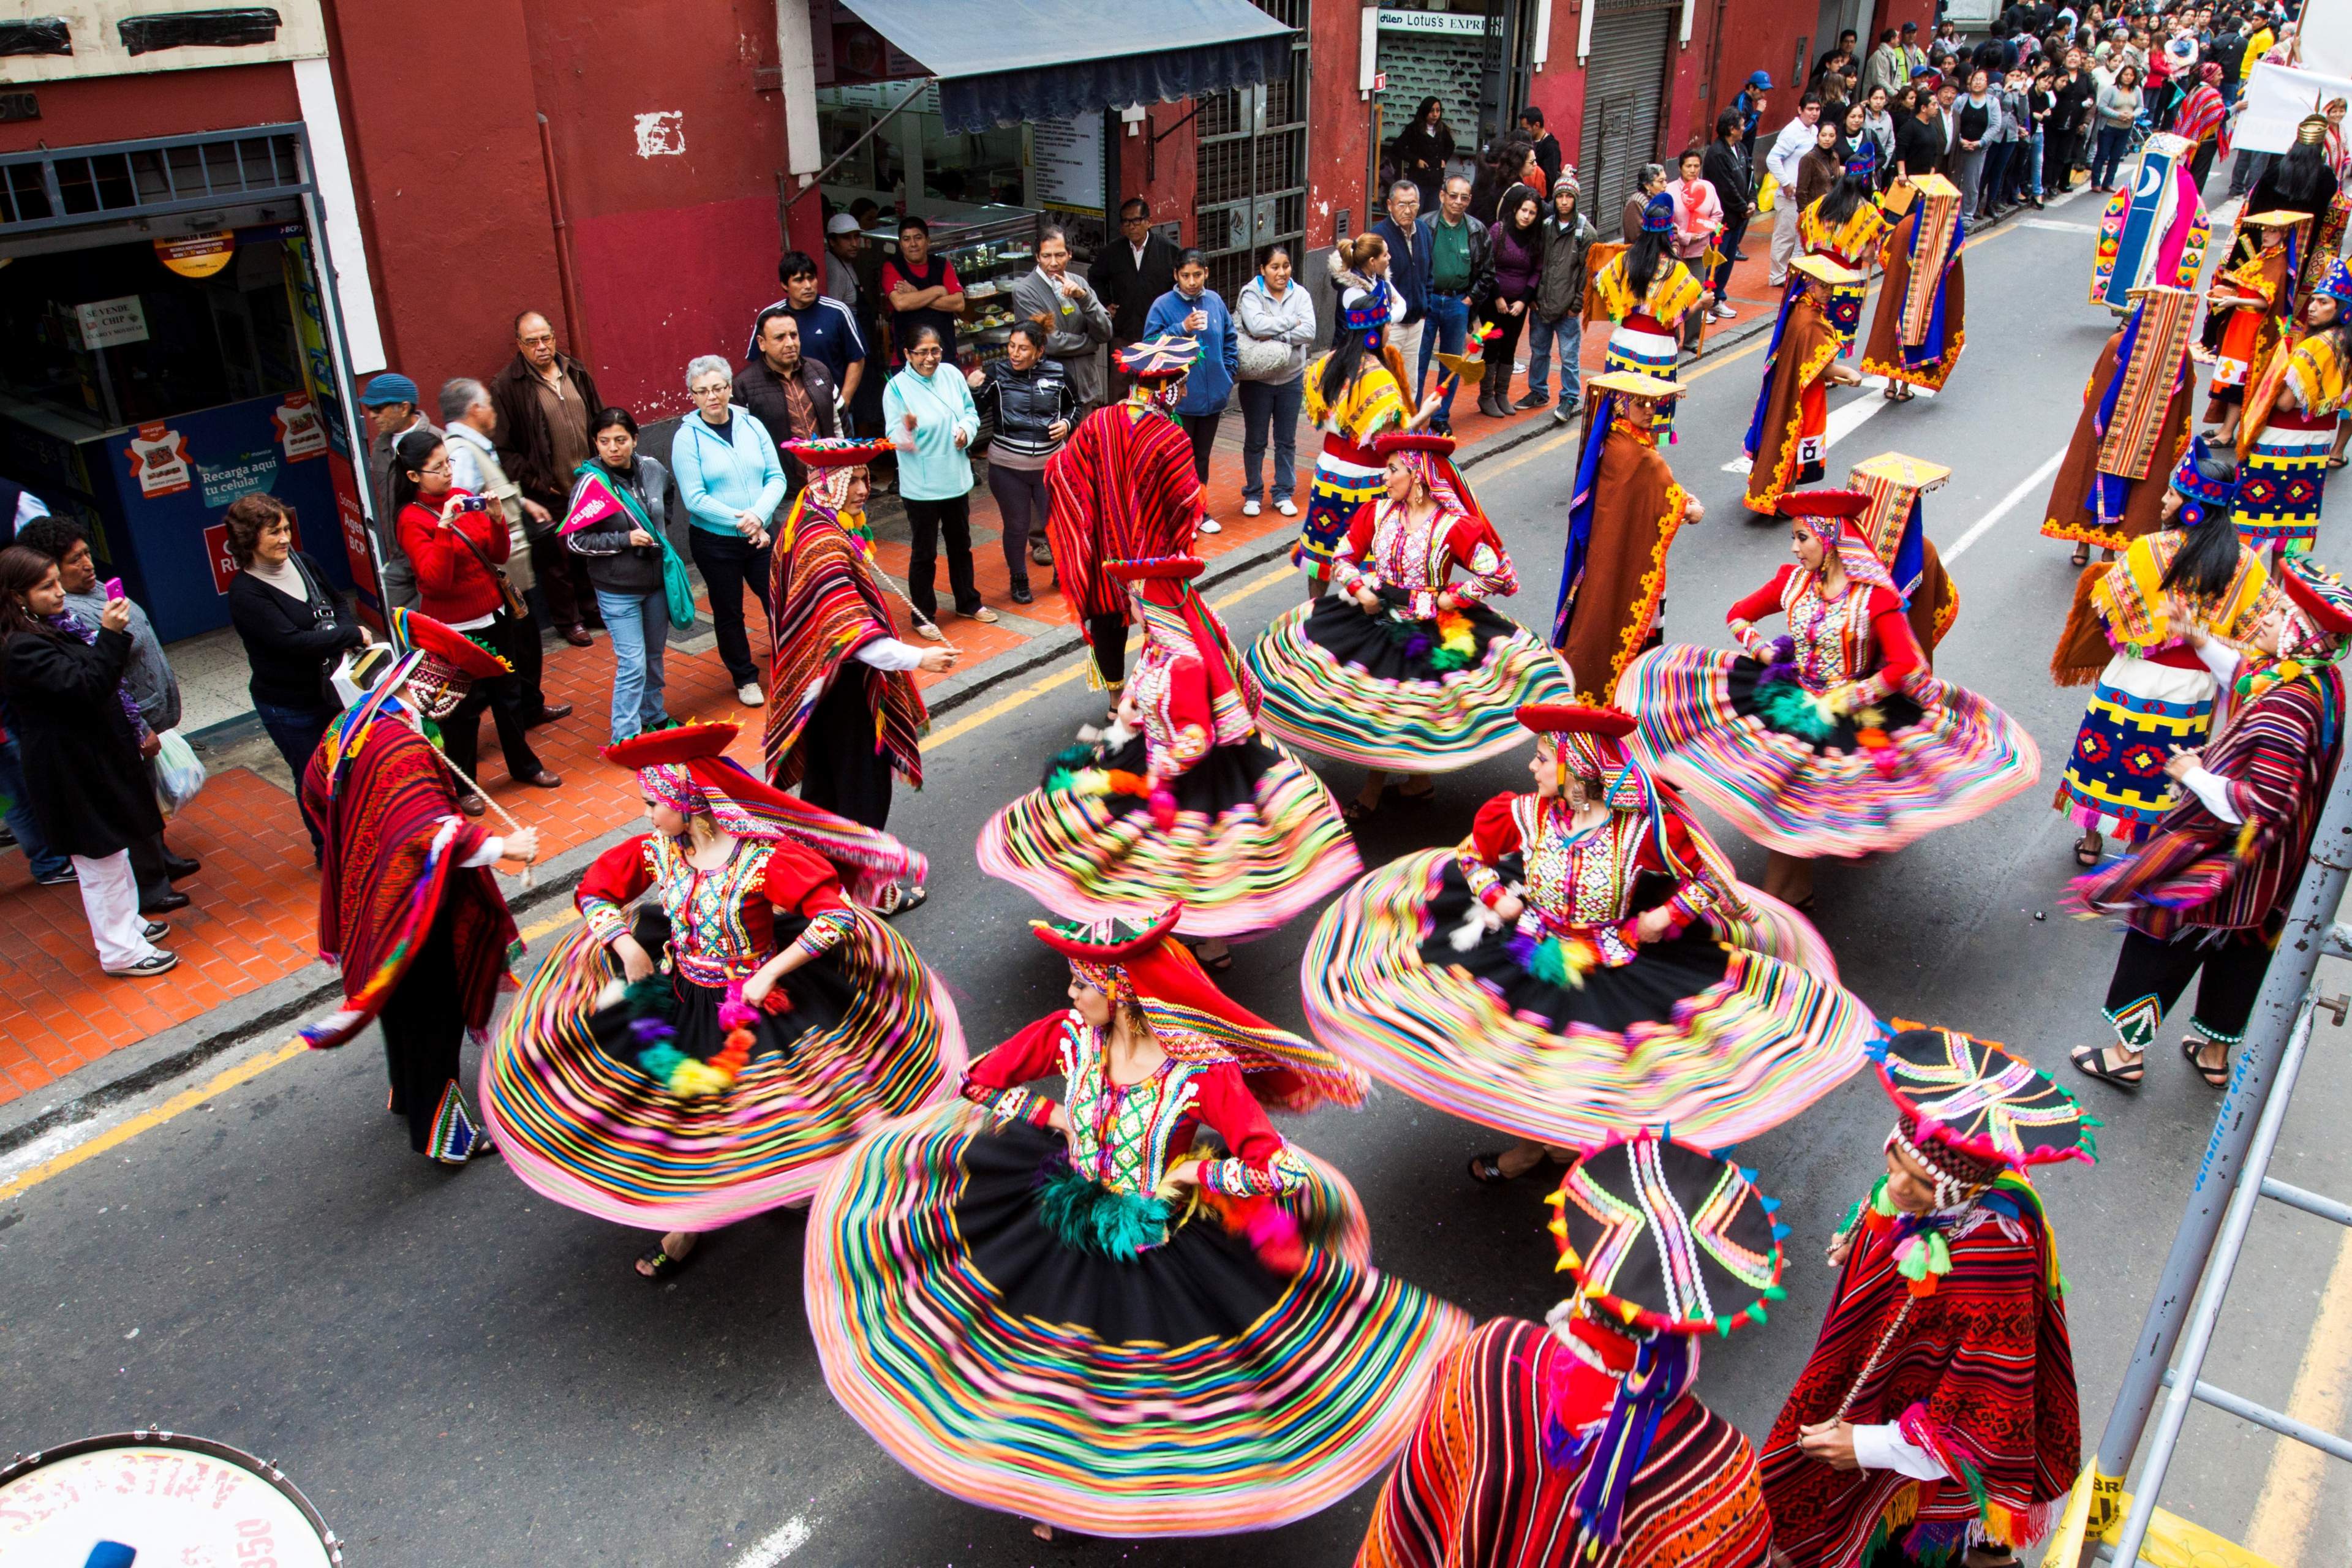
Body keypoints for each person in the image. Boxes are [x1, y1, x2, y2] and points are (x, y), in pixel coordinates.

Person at [803, 903, 1466, 1539]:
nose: (1069, 992)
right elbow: (976, 1080)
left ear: (1120, 989)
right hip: (1061, 1216)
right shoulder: (1067, 1036)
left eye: (1080, 981)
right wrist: (1046, 1116)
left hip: (1155, 1242)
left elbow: (1277, 1168)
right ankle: (1053, 1487)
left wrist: (1193, 1177)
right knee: (1047, 1368)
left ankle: (1104, 1495)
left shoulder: (1204, 1073)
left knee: (1129, 1389)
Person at [1300, 701, 1869, 1178]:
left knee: (1590, 1077)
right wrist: (1496, 896)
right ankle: (1531, 1146)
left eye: (1544, 758)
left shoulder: (1645, 829)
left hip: (1612, 963)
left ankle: (1578, 1167)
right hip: (1530, 949)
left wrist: (1660, 918)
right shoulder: (1521, 813)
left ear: (1577, 766)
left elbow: (1708, 883)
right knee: (1520, 1061)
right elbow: (1471, 856)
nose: (1532, 767)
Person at [484, 720, 960, 1278]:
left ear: (691, 804)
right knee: (690, 1119)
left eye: (653, 804)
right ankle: (690, 1221)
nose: (647, 816)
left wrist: (771, 973)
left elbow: (835, 918)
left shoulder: (761, 858)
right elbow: (594, 890)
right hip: (682, 996)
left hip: (757, 1007)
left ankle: (789, 1184)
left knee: (773, 1113)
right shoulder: (659, 850)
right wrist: (623, 944)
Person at [1358, 1133, 1783, 1568]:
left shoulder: (1492, 1355)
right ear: (1707, 1315)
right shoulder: (1719, 1472)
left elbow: (1416, 1508)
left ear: (1585, 1265)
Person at [1762, 1023, 2093, 1568]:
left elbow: (1983, 1409)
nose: (1895, 1189)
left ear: (1960, 1189)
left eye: (1915, 1182)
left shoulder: (1996, 1256)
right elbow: (1883, 1199)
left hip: (1917, 1455)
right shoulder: (1918, 1190)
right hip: (1873, 1394)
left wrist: (1865, 1446)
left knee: (1904, 1547)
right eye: (1892, 1164)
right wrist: (1858, 1229)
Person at [1617, 488, 2041, 908]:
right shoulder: (1791, 582)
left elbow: (1902, 667)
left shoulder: (1875, 599)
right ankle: (1778, 889)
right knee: (1774, 793)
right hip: (1789, 699)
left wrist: (1847, 699)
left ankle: (1784, 899)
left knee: (1810, 801)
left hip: (1849, 713)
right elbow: (1738, 614)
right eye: (1794, 537)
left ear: (1831, 540)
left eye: (1803, 538)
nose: (1795, 547)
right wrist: (1768, 656)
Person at [980, 552, 1361, 963]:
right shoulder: (1160, 648)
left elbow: (1197, 737)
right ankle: (1180, 932)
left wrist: (1159, 772)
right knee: (1148, 857)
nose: (1129, 609)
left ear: (1151, 607)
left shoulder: (1185, 664)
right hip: (1152, 760)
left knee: (1190, 865)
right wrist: (1128, 717)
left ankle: (1211, 945)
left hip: (1186, 778)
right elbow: (1147, 694)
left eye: (1133, 602)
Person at [2068, 554, 2348, 1090]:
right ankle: (2214, 1056)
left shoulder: (2289, 707)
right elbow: (2248, 680)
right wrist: (2199, 640)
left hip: (2225, 859)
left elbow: (2264, 803)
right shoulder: (2317, 682)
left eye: (2281, 614)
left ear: (2300, 638)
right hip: (2273, 871)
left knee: (2160, 937)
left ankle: (2126, 1054)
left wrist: (2194, 774)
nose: (2265, 617)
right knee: (2242, 949)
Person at [295, 620, 537, 1164]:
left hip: (368, 896)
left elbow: (313, 787)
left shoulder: (350, 725)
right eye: (443, 689)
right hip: (412, 906)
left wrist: (355, 841)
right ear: (418, 687)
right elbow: (426, 831)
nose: (449, 699)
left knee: (399, 1004)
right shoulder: (401, 747)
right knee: (433, 1014)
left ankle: (406, 1092)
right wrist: (505, 848)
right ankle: (443, 1136)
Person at [1246, 431, 1571, 816]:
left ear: (1417, 475)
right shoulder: (1377, 512)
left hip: (1430, 626)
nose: (1385, 477)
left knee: (1401, 709)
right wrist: (1359, 590)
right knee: (1374, 704)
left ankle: (1381, 787)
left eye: (1393, 470)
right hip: (1374, 615)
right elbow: (1345, 555)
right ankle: (1417, 782)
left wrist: (1450, 598)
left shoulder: (1454, 526)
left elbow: (1498, 573)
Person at [2051, 437, 2273, 867]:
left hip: (2134, 676)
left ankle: (2092, 838)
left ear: (2192, 507)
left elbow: (2111, 608)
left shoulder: (2148, 550)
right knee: (2163, 771)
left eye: (2172, 494)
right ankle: (2139, 848)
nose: (2164, 500)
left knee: (2109, 755)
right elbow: (2260, 626)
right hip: (2195, 689)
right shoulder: (2245, 563)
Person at [764, 439, 949, 855]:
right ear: (829, 483)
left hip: (820, 685)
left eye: (867, 478)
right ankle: (866, 881)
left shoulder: (807, 523)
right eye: (854, 480)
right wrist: (920, 657)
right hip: (843, 686)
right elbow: (849, 630)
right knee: (862, 789)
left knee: (824, 789)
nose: (864, 489)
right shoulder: (823, 543)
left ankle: (814, 873)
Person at [0, 545, 176, 976]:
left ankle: (126, 925)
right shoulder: (22, 647)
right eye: (47, 587)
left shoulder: (44, 627)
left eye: (57, 582)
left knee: (112, 852)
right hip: (71, 771)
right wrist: (112, 635)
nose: (60, 593)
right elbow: (86, 685)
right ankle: (120, 950)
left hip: (87, 761)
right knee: (100, 861)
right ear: (18, 596)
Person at [15, 516, 198, 911]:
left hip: (141, 718)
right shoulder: (61, 621)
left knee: (146, 799)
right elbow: (99, 680)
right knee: (130, 812)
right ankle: (150, 886)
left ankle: (160, 860)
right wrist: (137, 727)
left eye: (86, 553)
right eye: (73, 560)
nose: (87, 564)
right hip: (124, 727)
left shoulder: (97, 589)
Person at [390, 429, 559, 800]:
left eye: (448, 462)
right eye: (437, 468)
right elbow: (436, 581)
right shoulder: (412, 519)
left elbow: (497, 555)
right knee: (462, 709)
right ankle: (464, 785)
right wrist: (445, 528)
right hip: (453, 629)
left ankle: (525, 766)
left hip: (494, 615)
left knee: (509, 694)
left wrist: (497, 519)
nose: (448, 472)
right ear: (414, 476)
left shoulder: (463, 497)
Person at [1046, 336, 1209, 698]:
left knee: (1107, 618)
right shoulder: (1171, 436)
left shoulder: (1097, 422)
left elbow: (1062, 472)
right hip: (1154, 554)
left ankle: (1116, 702)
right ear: (1165, 390)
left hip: (1106, 549)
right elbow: (1186, 500)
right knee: (1163, 621)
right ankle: (1160, 696)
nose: (1183, 395)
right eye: (1181, 388)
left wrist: (1089, 518)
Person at [222, 492, 364, 856]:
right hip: (290, 706)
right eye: (274, 532)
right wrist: (350, 635)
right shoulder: (245, 593)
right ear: (249, 540)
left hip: (333, 692)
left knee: (349, 766)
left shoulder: (305, 563)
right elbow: (293, 642)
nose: (285, 538)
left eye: (286, 528)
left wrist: (345, 629)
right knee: (313, 777)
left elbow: (337, 602)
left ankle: (358, 836)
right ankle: (328, 850)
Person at [1552, 372, 1705, 706]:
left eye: (1653, 404)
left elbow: (1658, 490)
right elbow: (1666, 496)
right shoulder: (1634, 453)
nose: (1650, 411)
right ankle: (1610, 695)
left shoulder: (1618, 439)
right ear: (1622, 405)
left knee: (1598, 611)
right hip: (1625, 555)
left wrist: (1678, 497)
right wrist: (1689, 508)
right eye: (1641, 404)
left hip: (1607, 548)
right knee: (1616, 614)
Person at [1298, 244, 1438, 596]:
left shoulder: (1326, 364)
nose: (1390, 332)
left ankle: (1316, 611)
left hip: (1328, 473)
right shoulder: (1378, 378)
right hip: (1367, 480)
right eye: (1387, 326)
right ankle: (1360, 622)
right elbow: (1392, 439)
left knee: (1324, 547)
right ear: (1376, 332)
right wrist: (1426, 413)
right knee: (1367, 553)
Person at [2040, 285, 2203, 565]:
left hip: (2131, 436)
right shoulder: (2124, 345)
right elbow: (2183, 408)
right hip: (2130, 435)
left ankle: (2095, 548)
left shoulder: (2175, 357)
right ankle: (2102, 550)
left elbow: (2091, 391)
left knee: (2096, 483)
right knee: (2106, 486)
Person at [439, 377, 562, 726]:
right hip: (500, 570)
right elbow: (461, 508)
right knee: (518, 643)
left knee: (523, 639)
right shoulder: (462, 452)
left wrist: (522, 502)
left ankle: (527, 705)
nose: (493, 411)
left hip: (508, 566)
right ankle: (520, 709)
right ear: (475, 410)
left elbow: (487, 491)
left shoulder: (473, 446)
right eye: (488, 405)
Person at [673, 353, 787, 706]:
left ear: (728, 388)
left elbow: (776, 476)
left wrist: (760, 514)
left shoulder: (751, 424)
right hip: (715, 542)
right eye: (702, 391)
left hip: (762, 537)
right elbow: (695, 499)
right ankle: (745, 678)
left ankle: (791, 660)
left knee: (779, 601)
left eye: (719, 388)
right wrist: (746, 519)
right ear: (692, 395)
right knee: (729, 610)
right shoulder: (686, 438)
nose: (712, 397)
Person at [563, 407, 680, 745]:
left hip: (656, 584)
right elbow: (575, 540)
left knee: (654, 655)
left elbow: (666, 498)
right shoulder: (590, 483)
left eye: (620, 440)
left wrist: (660, 527)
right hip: (617, 590)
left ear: (635, 439)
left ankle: (654, 715)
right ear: (595, 444)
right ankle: (626, 736)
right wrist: (624, 540)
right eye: (604, 442)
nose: (613, 448)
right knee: (632, 663)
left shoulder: (653, 469)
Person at [488, 311, 601, 646]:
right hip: (548, 490)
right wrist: (537, 481)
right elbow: (504, 448)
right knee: (557, 562)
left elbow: (598, 418)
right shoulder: (507, 385)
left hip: (587, 483)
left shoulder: (576, 371)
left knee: (590, 549)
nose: (542, 347)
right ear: (519, 345)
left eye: (546, 339)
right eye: (532, 342)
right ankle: (570, 621)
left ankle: (593, 609)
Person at [2233, 261, 2352, 562]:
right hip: (2318, 443)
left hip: (2281, 439)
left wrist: (2265, 381)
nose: (2312, 307)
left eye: (2323, 302)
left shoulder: (2313, 347)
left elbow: (2286, 402)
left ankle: (2240, 579)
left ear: (2342, 309)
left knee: (2255, 511)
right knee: (2292, 516)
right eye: (2312, 300)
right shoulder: (2344, 346)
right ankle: (2277, 582)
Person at [885, 325, 998, 633]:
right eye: (922, 353)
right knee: (925, 552)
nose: (930, 359)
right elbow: (893, 440)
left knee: (961, 544)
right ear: (907, 354)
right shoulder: (895, 388)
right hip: (921, 486)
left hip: (955, 477)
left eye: (935, 351)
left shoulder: (950, 374)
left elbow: (970, 413)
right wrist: (906, 428)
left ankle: (968, 602)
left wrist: (966, 431)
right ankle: (923, 616)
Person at [1741, 255, 1868, 515]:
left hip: (1793, 384)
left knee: (1784, 436)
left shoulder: (1799, 308)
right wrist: (1848, 373)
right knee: (1795, 438)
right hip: (1802, 392)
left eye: (1831, 288)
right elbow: (1818, 366)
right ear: (1809, 283)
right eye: (1823, 287)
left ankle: (1778, 493)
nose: (1828, 293)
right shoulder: (1809, 320)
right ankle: (1783, 498)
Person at [967, 321, 1079, 605]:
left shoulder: (1058, 373)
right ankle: (1019, 579)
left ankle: (1062, 571)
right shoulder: (996, 374)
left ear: (1039, 351)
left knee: (1056, 523)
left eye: (1023, 348)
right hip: (1007, 467)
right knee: (1016, 526)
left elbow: (1074, 405)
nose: (1015, 354)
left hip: (1051, 466)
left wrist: (1067, 423)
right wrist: (971, 389)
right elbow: (973, 410)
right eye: (1012, 346)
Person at [1589, 194, 1712, 438]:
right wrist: (1703, 303)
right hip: (1659, 349)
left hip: (1623, 343)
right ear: (1669, 233)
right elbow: (1679, 315)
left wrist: (1624, 301)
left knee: (1619, 406)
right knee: (1652, 412)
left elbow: (1597, 282)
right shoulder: (1676, 269)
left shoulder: (1625, 259)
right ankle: (1645, 459)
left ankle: (1614, 454)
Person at [1142, 249, 1238, 526]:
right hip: (1179, 401)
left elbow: (1230, 340)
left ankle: (1200, 511)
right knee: (1178, 460)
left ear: (1206, 273)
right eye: (1186, 276)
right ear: (1176, 276)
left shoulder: (1215, 301)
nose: (1192, 281)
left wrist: (1227, 373)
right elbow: (1149, 346)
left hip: (1213, 400)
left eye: (1197, 275)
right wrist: (1181, 327)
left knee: (1202, 459)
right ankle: (1178, 515)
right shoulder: (1162, 305)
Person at [1858, 169, 1967, 402]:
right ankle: (1905, 389)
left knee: (1891, 334)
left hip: (1898, 291)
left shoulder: (1907, 225)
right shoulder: (1950, 235)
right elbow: (1954, 272)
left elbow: (1886, 257)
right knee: (1916, 336)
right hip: (1927, 298)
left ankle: (1890, 385)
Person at [2203, 210, 2305, 444]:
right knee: (2229, 377)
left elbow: (2266, 301)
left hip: (2252, 329)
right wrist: (2229, 294)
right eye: (2265, 230)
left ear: (2283, 233)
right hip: (2239, 325)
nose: (2266, 235)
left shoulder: (2278, 263)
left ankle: (2228, 432)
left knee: (2238, 382)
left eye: (2272, 231)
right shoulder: (2264, 256)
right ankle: (2225, 427)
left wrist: (2236, 301)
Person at [1234, 242, 1316, 519]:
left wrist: (1276, 333)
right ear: (1262, 270)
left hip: (1292, 379)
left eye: (1286, 266)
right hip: (1258, 381)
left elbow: (1310, 331)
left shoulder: (1301, 294)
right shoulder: (1251, 294)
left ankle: (1283, 492)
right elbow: (1255, 327)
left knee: (1286, 440)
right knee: (1255, 440)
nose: (1282, 273)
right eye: (1275, 267)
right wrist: (1292, 323)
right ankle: (1253, 493)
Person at [734, 306, 839, 502]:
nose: (790, 343)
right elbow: (742, 451)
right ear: (762, 343)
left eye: (794, 335)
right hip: (783, 497)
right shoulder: (743, 386)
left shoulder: (820, 371)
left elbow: (840, 424)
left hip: (830, 486)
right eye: (780, 337)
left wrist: (845, 471)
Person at [1008, 225, 1112, 413]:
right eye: (1047, 256)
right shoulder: (1025, 291)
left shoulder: (1079, 282)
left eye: (1060, 255)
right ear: (1037, 257)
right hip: (1050, 393)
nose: (1054, 263)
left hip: (1085, 389)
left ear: (1070, 254)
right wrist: (1090, 343)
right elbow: (1051, 343)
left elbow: (1105, 332)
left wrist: (1084, 298)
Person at [748, 249, 867, 412]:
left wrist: (843, 403)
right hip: (787, 412)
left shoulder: (838, 312)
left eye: (811, 278)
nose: (808, 286)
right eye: (799, 280)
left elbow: (857, 359)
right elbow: (758, 364)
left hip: (831, 408)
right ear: (784, 285)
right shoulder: (770, 318)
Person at [1420, 175, 1491, 433]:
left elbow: (1487, 272)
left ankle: (1440, 417)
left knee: (1452, 364)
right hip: (1428, 304)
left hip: (1457, 303)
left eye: (1464, 197)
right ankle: (1415, 416)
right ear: (1442, 196)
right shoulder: (1425, 225)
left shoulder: (1476, 230)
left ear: (1469, 200)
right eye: (1453, 196)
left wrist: (1469, 299)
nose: (1458, 202)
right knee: (1418, 361)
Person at [360, 372, 436, 611]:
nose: (372, 415)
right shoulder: (381, 446)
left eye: (379, 408)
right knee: (405, 630)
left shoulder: (435, 442)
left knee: (438, 630)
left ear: (403, 408)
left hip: (431, 554)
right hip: (400, 558)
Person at [1091, 198, 1182, 397]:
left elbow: (1180, 286)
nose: (1131, 227)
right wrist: (1105, 303)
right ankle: (1120, 427)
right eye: (1126, 222)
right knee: (1120, 387)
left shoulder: (1169, 250)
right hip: (1124, 331)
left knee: (1155, 388)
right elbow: (1095, 278)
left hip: (1158, 334)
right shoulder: (1112, 252)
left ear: (1148, 222)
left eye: (1136, 221)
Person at [1529, 170, 1597, 420]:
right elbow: (1538, 262)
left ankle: (1569, 398)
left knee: (1569, 357)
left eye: (1569, 196)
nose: (1564, 201)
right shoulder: (1546, 227)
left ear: (1576, 200)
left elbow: (1588, 273)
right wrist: (1534, 297)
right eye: (1560, 197)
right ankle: (1538, 391)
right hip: (1542, 304)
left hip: (1568, 308)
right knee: (1539, 351)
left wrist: (1577, 304)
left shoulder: (1586, 233)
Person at [1474, 183, 1544, 415]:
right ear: (1516, 209)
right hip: (1494, 301)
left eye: (1532, 212)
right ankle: (1485, 397)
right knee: (1493, 344)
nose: (1527, 216)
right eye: (1524, 210)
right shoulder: (1499, 231)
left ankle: (1501, 394)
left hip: (1518, 304)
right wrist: (1497, 297)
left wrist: (1524, 300)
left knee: (1510, 348)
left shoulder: (1536, 236)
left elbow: (1537, 270)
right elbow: (1488, 264)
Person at [1371, 180, 1434, 393]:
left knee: (1410, 385)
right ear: (1389, 205)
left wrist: (1425, 306)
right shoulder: (1379, 235)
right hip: (1392, 325)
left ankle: (1406, 427)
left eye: (1413, 204)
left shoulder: (1424, 231)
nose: (1408, 210)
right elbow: (1373, 280)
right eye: (1401, 204)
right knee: (1387, 383)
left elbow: (1429, 273)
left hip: (1417, 322)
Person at [881, 217, 965, 370]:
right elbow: (901, 303)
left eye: (918, 238)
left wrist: (916, 294)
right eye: (906, 239)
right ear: (900, 244)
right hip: (908, 359)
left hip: (944, 356)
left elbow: (959, 304)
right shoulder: (892, 267)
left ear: (928, 241)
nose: (913, 244)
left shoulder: (942, 265)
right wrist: (938, 290)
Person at [1665, 150, 1724, 350]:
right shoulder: (1670, 190)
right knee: (1674, 295)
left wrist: (1705, 231)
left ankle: (1691, 339)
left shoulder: (1708, 188)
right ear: (1680, 167)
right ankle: (1672, 338)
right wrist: (1686, 237)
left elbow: (1717, 215)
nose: (1693, 170)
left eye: (1696, 166)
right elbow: (1669, 222)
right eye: (1688, 166)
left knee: (1698, 294)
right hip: (1676, 253)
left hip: (1700, 252)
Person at [1766, 94, 1826, 284]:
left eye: (1817, 109)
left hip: (1806, 196)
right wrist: (1785, 182)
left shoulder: (1814, 131)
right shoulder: (1791, 132)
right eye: (1810, 109)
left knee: (1801, 237)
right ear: (1800, 110)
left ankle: (1794, 274)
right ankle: (1777, 277)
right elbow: (1772, 159)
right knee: (1785, 236)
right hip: (1789, 196)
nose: (1814, 113)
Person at [1703, 111, 1756, 314]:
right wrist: (1744, 208)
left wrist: (1752, 201)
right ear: (1732, 129)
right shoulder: (1717, 154)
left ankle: (1718, 299)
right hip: (1722, 220)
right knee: (1715, 261)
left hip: (1737, 220)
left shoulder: (1741, 149)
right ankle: (1705, 302)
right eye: (1742, 125)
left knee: (1728, 262)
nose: (1744, 129)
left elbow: (1750, 177)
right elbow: (1726, 188)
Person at [1394, 96, 1457, 212]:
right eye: (1432, 111)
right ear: (1425, 111)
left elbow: (1451, 146)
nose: (1435, 115)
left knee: (1431, 215)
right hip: (1419, 180)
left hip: (1436, 181)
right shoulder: (1414, 129)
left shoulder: (1442, 129)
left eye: (1438, 111)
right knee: (1416, 213)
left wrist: (1444, 159)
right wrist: (1416, 160)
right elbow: (1398, 148)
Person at [2091, 63, 2143, 189]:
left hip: (2125, 129)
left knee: (2116, 157)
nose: (2128, 77)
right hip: (2109, 127)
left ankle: (2109, 182)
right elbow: (2102, 107)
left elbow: (2140, 107)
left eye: (2131, 75)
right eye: (2126, 74)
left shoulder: (2136, 90)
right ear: (2121, 75)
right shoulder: (2112, 90)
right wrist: (2118, 115)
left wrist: (2133, 115)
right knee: (2102, 155)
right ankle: (2096, 183)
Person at [1518, 104, 1563, 189]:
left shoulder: (1551, 148)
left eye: (1526, 129)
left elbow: (1550, 180)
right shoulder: (1527, 142)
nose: (1523, 132)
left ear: (1537, 125)